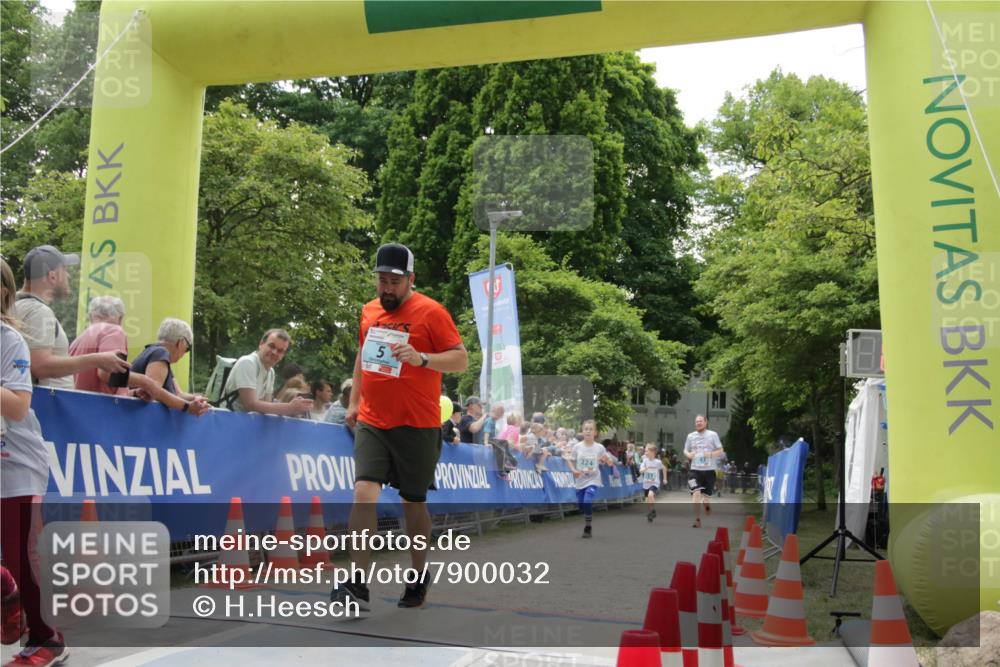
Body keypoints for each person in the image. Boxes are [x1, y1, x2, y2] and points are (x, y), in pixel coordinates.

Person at [330, 242, 467, 611]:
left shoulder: (432, 312)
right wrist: (355, 402)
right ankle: (357, 583)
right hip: (374, 419)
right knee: (363, 492)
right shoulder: (368, 311)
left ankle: (419, 574)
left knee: (413, 504)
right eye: (381, 280)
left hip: (417, 423)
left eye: (394, 281)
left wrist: (422, 358)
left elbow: (460, 359)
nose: (386, 288)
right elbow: (362, 355)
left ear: (410, 280)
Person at [0, 258, 68, 665]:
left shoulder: (9, 340)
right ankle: (8, 592)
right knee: (12, 567)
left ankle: (48, 638)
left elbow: (19, 405)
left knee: (23, 555)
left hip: (15, 462)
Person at [13, 245, 129, 388]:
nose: (68, 276)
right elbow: (39, 366)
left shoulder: (15, 306)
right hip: (47, 406)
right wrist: (98, 360)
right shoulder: (39, 311)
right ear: (52, 276)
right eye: (65, 270)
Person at [221, 329, 312, 416]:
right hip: (228, 423)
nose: (275, 352)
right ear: (261, 344)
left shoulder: (270, 372)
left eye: (280, 351)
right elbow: (250, 405)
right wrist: (289, 408)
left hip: (247, 425)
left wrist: (296, 409)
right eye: (272, 346)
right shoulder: (248, 362)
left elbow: (266, 407)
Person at [129, 318, 210, 416]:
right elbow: (153, 391)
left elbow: (178, 394)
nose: (185, 353)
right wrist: (187, 407)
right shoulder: (160, 353)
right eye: (187, 348)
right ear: (181, 342)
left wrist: (197, 399)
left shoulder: (157, 355)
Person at [68, 295, 128, 395]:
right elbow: (106, 374)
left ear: (91, 316)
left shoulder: (77, 341)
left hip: (78, 403)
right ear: (120, 317)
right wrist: (145, 382)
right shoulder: (114, 331)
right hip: (103, 406)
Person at [566, 420, 616, 538]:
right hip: (580, 481)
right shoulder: (577, 447)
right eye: (586, 429)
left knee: (588, 500)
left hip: (593, 479)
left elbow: (608, 460)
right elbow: (569, 460)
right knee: (582, 504)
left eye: (590, 429)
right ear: (582, 432)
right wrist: (574, 470)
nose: (588, 431)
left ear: (595, 433)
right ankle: (586, 514)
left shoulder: (599, 447)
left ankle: (588, 526)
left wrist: (607, 461)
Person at [684, 414, 725, 528]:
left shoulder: (713, 435)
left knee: (706, 498)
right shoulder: (690, 436)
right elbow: (685, 450)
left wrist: (711, 454)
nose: (698, 423)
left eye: (700, 421)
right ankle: (697, 519)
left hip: (709, 471)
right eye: (696, 421)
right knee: (696, 493)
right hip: (695, 471)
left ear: (706, 422)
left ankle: (706, 504)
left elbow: (721, 450)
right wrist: (689, 454)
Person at [639, 444, 666, 522]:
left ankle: (651, 512)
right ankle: (652, 511)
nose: (645, 452)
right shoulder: (645, 461)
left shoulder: (658, 462)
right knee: (647, 500)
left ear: (653, 452)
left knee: (651, 495)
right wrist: (645, 469)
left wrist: (664, 479)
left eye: (646, 451)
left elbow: (664, 468)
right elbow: (640, 470)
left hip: (654, 483)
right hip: (646, 483)